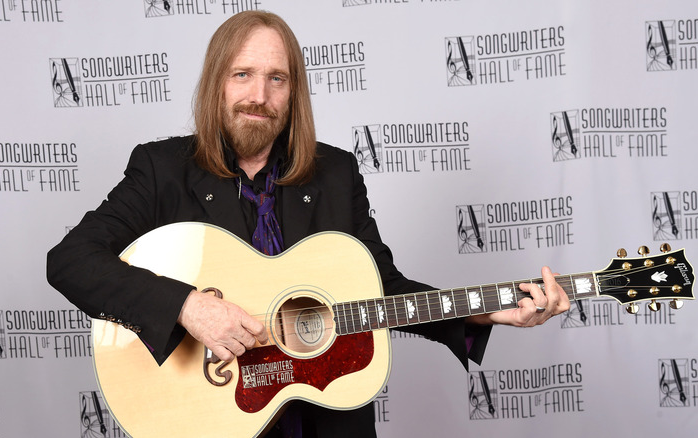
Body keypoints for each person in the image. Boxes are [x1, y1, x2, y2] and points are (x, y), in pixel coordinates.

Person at [46, 10, 570, 438]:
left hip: (324, 422)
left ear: (294, 92)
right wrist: (188, 307)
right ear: (216, 85)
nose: (260, 96)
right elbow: (70, 261)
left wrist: (484, 314)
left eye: (278, 78)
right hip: (209, 416)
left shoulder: (336, 173)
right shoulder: (162, 170)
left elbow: (381, 290)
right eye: (243, 75)